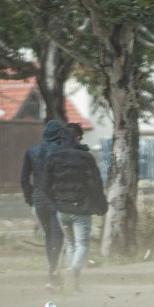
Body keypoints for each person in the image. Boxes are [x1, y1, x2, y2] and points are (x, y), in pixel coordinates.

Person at [45, 122, 107, 293]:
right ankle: (73, 270)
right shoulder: (86, 158)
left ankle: (73, 283)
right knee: (82, 244)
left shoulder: (53, 157)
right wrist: (101, 206)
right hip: (81, 209)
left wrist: (56, 200)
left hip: (62, 210)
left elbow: (46, 184)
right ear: (79, 137)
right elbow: (95, 184)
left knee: (71, 244)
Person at [21, 119, 68, 291]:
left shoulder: (31, 151)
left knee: (49, 236)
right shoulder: (62, 152)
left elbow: (24, 179)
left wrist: (30, 199)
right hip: (57, 200)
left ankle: (53, 274)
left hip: (39, 200)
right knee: (59, 237)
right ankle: (52, 274)